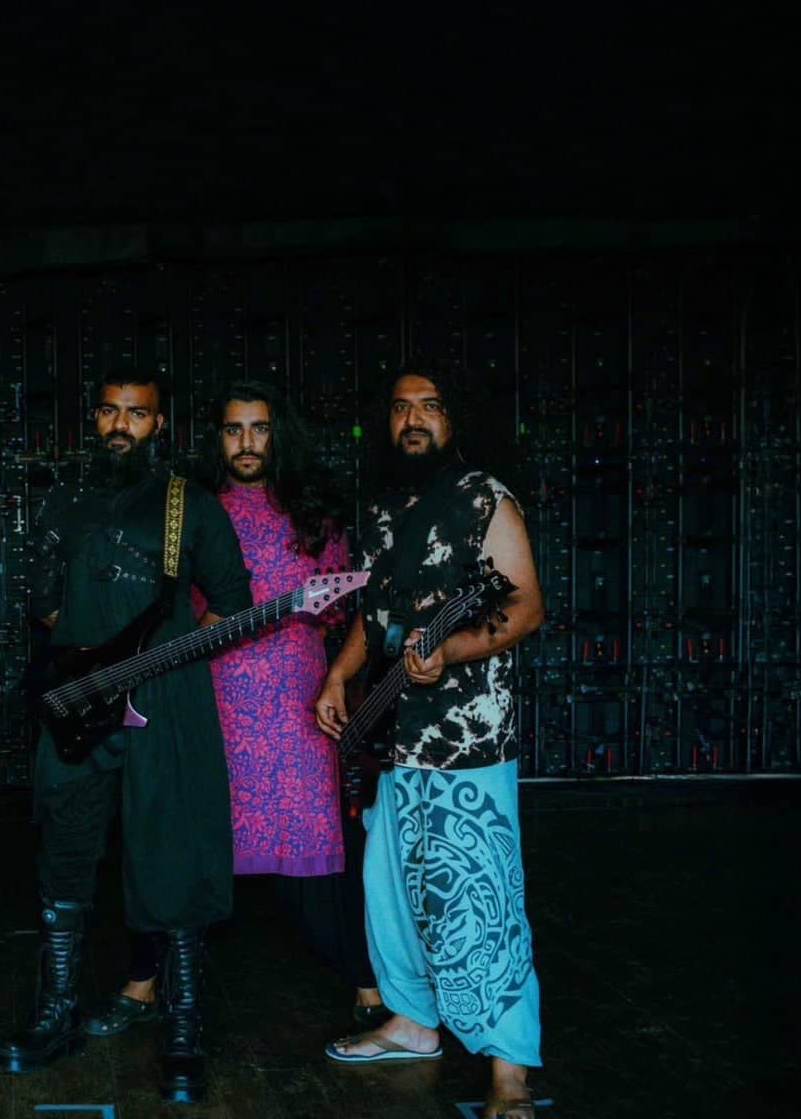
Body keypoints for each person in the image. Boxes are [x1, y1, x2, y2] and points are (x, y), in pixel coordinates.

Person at [84, 381, 388, 1039]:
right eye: (232, 429)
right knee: (176, 838)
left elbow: (345, 611)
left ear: (279, 435)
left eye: (260, 428)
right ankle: (142, 982)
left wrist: (335, 670)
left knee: (318, 837)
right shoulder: (185, 508)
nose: (246, 442)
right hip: (202, 694)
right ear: (214, 437)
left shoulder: (315, 515)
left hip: (294, 699)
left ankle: (368, 981)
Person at [0, 371, 252, 1104]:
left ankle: (182, 1026)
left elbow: (231, 603)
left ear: (158, 425)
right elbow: (43, 602)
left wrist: (162, 659)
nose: (121, 425)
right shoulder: (63, 501)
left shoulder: (187, 504)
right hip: (80, 705)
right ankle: (57, 1013)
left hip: (166, 709)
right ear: (94, 419)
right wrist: (98, 659)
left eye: (136, 415)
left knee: (174, 858)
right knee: (65, 854)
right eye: (109, 411)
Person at [315, 362, 546, 1119]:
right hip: (394, 738)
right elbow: (372, 616)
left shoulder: (487, 499)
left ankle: (510, 1068)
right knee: (391, 892)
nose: (413, 419)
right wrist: (339, 676)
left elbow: (525, 607)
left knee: (479, 897)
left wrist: (451, 650)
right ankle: (413, 1022)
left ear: (454, 418)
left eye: (430, 406)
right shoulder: (382, 510)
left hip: (467, 741)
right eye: (401, 407)